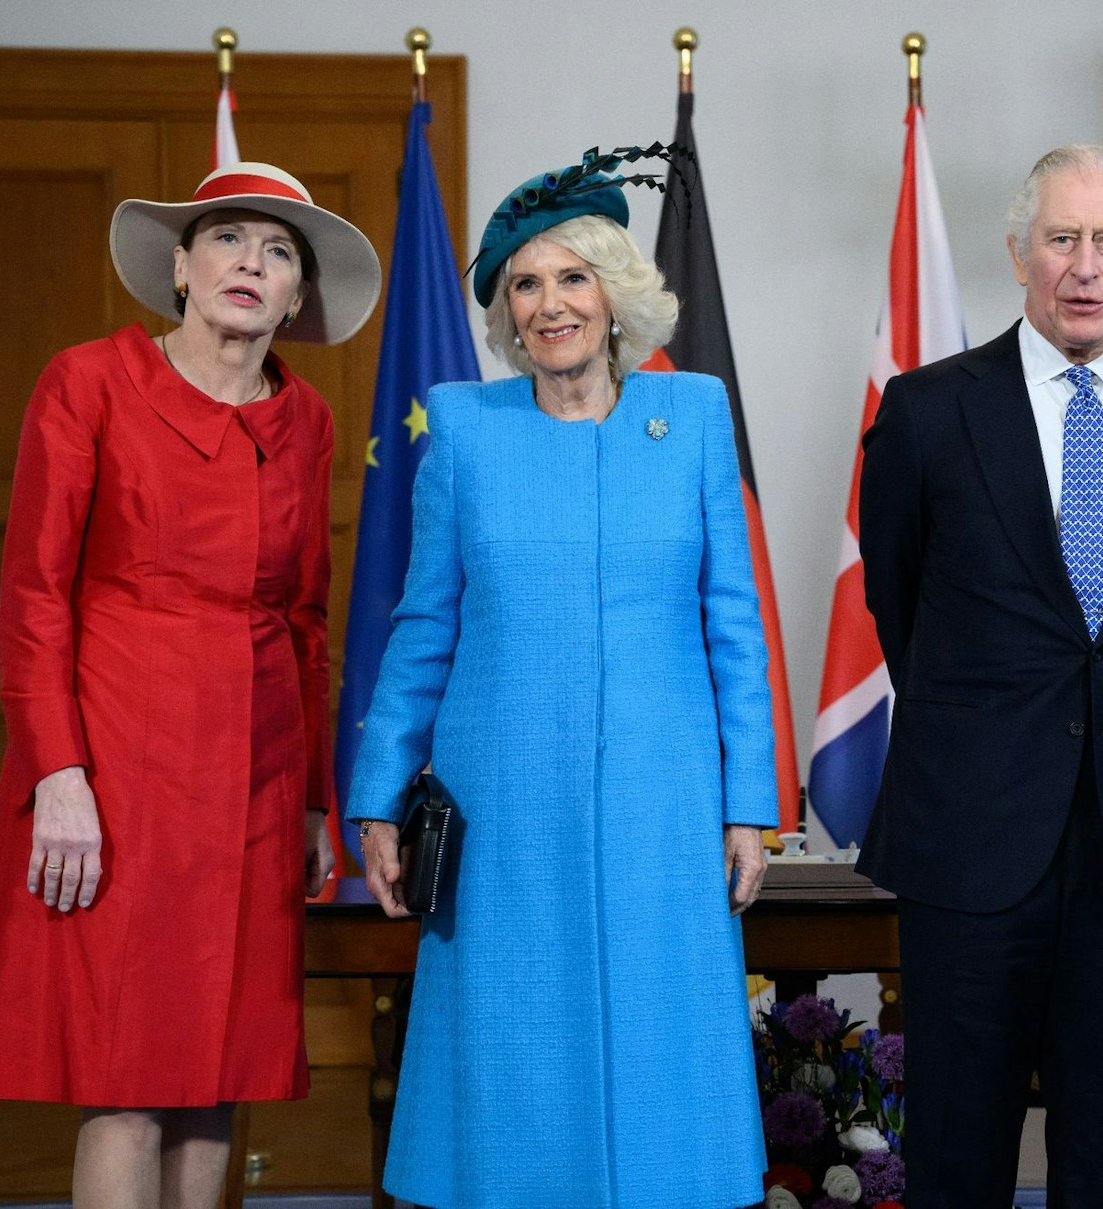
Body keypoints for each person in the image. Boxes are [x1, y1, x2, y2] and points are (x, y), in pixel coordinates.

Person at [0, 163, 382, 1205]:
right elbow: (35, 593)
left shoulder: (306, 420)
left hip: (258, 784)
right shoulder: (86, 381)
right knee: (127, 1077)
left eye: (278, 253)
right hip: (118, 770)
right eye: (228, 240)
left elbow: (307, 617)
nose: (250, 264)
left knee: (218, 1072)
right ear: (181, 267)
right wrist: (59, 773)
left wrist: (315, 795)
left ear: (294, 297)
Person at [343, 154, 776, 1209]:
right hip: (500, 808)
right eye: (523, 285)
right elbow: (422, 627)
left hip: (660, 803)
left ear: (614, 292)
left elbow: (732, 624)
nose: (549, 306)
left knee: (659, 1059)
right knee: (511, 1065)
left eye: (571, 278)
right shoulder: (465, 427)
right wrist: (375, 798)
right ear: (504, 310)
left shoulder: (695, 420)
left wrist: (749, 803)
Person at [856, 144, 1103, 1209]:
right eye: (1060, 238)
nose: (1083, 264)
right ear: (1018, 253)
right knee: (959, 1143)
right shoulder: (927, 410)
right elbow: (900, 605)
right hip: (970, 832)